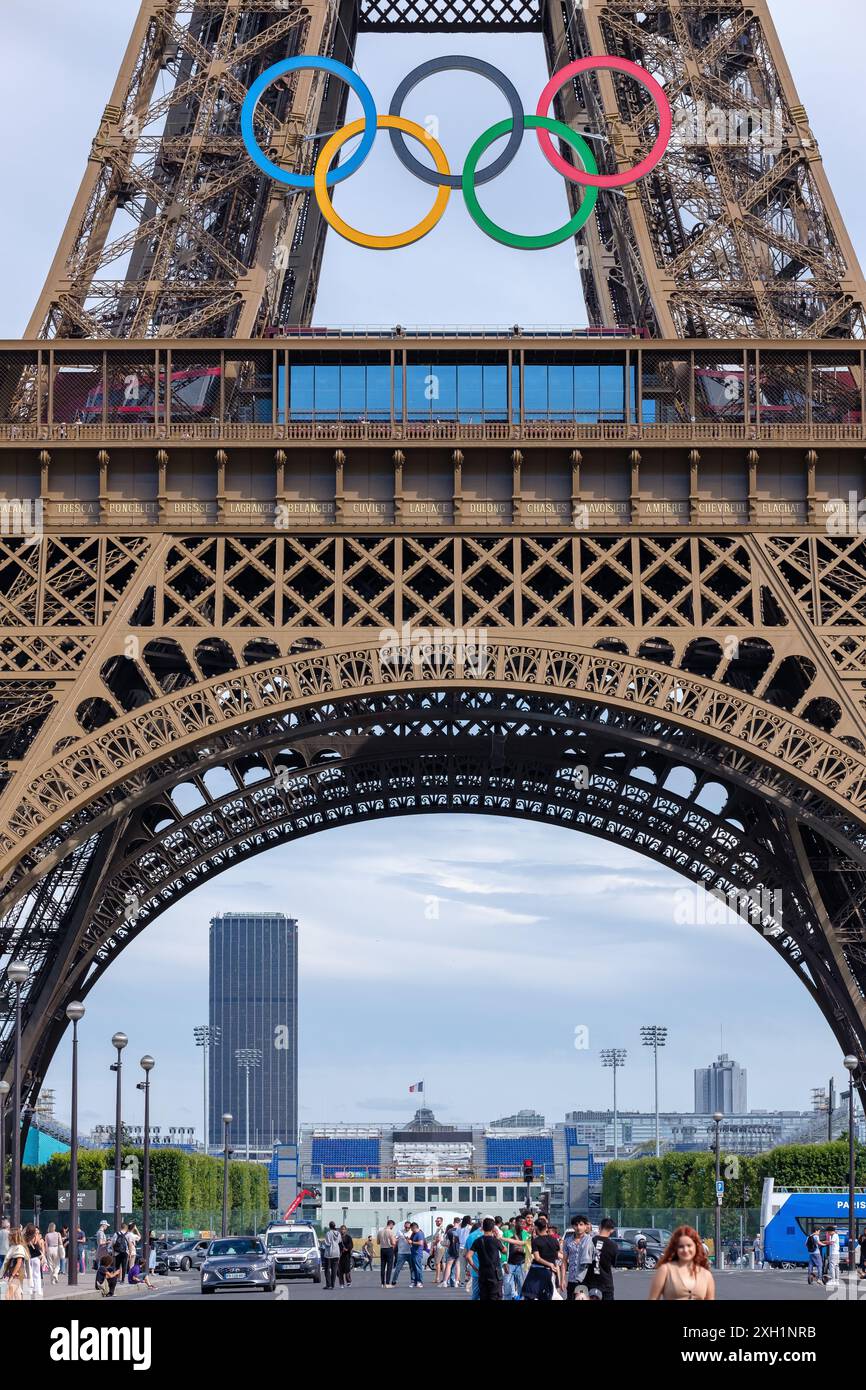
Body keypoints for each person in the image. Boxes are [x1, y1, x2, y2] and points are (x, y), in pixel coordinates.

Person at [648, 1225, 715, 1301]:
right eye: (681, 1246)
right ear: (675, 1248)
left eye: (689, 1246)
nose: (685, 1250)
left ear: (696, 1247)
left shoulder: (706, 1275)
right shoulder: (665, 1270)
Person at [522, 1216, 560, 1301]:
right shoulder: (555, 1240)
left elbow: (537, 1258)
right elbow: (557, 1256)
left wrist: (548, 1264)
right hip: (550, 1272)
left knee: (530, 1295)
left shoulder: (536, 1241)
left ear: (536, 1228)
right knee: (548, 1295)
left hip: (536, 1272)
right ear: (546, 1227)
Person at [472, 1217, 505, 1301]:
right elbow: (504, 1251)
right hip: (495, 1273)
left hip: (483, 1272)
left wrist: (475, 1268)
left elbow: (468, 1255)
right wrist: (498, 1238)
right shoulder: (495, 1241)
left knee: (484, 1295)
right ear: (493, 1228)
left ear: (483, 1227)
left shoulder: (478, 1241)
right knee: (496, 1295)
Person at [585, 1218, 618, 1302]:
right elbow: (614, 1263)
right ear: (612, 1230)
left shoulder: (591, 1241)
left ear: (600, 1227)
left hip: (591, 1282)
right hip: (606, 1283)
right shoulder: (613, 1245)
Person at [562, 1214, 594, 1300]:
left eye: (581, 1224)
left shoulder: (590, 1240)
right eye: (576, 1225)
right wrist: (562, 1279)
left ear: (585, 1226)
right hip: (572, 1278)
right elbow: (564, 1261)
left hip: (585, 1279)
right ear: (573, 1226)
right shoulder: (567, 1241)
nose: (578, 1227)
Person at [1, 1226, 29, 1300]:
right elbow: (9, 1262)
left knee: (7, 1296)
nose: (8, 1237)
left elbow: (19, 1263)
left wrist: (12, 1276)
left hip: (17, 1274)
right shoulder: (14, 1246)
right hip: (15, 1273)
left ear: (14, 1236)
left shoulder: (19, 1247)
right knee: (17, 1295)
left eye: (10, 1235)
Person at [23, 1222, 44, 1300]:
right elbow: (39, 1246)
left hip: (28, 1257)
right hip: (36, 1257)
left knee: (29, 1274)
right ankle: (38, 1290)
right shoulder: (36, 1236)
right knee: (37, 1274)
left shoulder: (24, 1237)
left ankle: (30, 1290)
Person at [390, 1221, 414, 1286]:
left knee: (412, 1268)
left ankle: (413, 1281)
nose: (407, 1228)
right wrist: (393, 1242)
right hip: (401, 1253)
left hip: (410, 1252)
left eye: (408, 1227)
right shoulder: (400, 1231)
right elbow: (395, 1238)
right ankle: (394, 1281)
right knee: (398, 1268)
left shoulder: (412, 1232)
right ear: (404, 1226)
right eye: (406, 1227)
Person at [321, 1221, 341, 1289]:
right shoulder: (338, 1233)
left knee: (327, 1269)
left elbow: (328, 1243)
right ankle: (333, 1285)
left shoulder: (328, 1233)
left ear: (329, 1226)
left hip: (329, 1253)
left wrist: (323, 1242)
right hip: (336, 1253)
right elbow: (339, 1242)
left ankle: (328, 1284)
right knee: (334, 1270)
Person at [378, 1219, 397, 1287]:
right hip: (389, 1249)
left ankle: (382, 1283)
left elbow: (378, 1242)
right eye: (393, 1226)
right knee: (389, 1267)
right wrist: (395, 1240)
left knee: (382, 1267)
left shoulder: (380, 1231)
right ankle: (388, 1283)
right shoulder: (390, 1232)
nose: (392, 1227)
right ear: (391, 1224)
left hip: (382, 1249)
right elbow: (393, 1243)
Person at [408, 1222, 427, 1288]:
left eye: (411, 1229)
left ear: (414, 1228)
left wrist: (412, 1242)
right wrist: (409, 1240)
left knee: (418, 1268)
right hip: (413, 1252)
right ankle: (414, 1281)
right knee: (413, 1268)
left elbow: (421, 1243)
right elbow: (410, 1239)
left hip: (417, 1253)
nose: (411, 1230)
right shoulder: (414, 1233)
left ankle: (419, 1282)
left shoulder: (420, 1234)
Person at [442, 1222, 461, 1288]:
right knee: (457, 1266)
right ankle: (456, 1282)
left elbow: (447, 1242)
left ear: (454, 1222)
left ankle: (445, 1282)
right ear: (459, 1223)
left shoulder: (449, 1231)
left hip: (451, 1250)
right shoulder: (461, 1230)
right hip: (459, 1250)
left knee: (448, 1266)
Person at [457, 1214, 473, 1289]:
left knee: (462, 1266)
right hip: (468, 1247)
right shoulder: (470, 1227)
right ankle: (471, 1280)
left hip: (460, 1247)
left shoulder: (459, 1227)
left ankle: (462, 1282)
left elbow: (456, 1236)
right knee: (471, 1264)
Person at [432, 1216, 447, 1283]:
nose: (437, 1222)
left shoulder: (440, 1228)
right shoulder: (441, 1228)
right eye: (436, 1221)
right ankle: (444, 1278)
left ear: (441, 1221)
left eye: (438, 1221)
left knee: (437, 1263)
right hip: (443, 1246)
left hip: (439, 1247)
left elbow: (438, 1238)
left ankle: (437, 1278)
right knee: (443, 1263)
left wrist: (434, 1244)